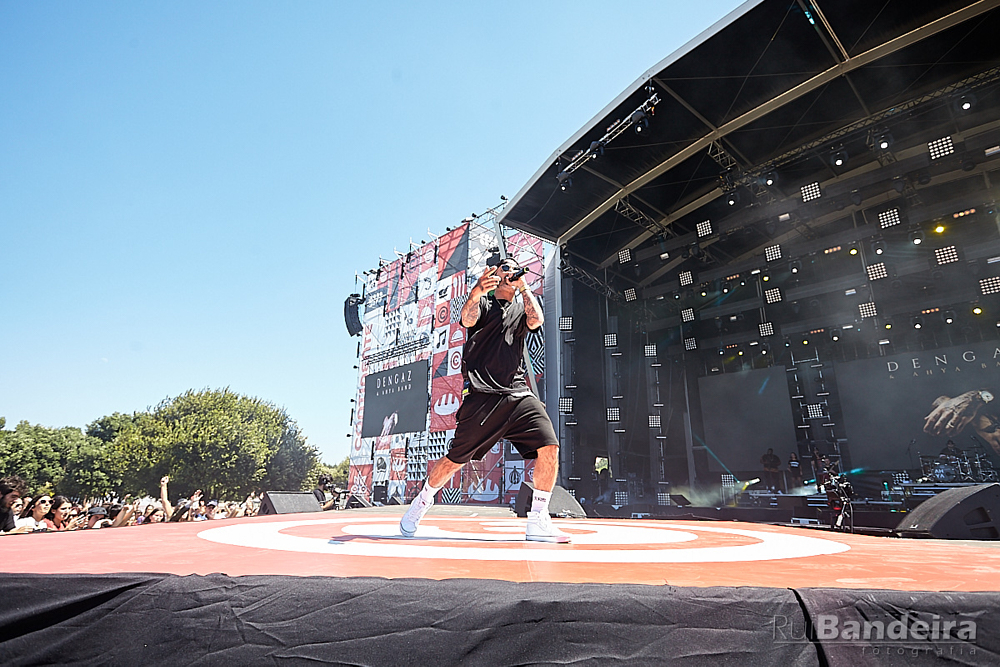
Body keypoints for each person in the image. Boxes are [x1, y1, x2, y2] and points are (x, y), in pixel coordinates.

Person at [400, 259, 570, 543]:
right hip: (482, 396)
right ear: (493, 275)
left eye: (514, 268)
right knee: (455, 460)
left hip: (517, 393)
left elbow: (537, 320)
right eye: (505, 268)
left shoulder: (521, 305)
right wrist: (477, 291)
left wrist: (524, 286)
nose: (511, 271)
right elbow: (466, 319)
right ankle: (421, 502)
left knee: (549, 447)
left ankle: (538, 519)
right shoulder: (484, 304)